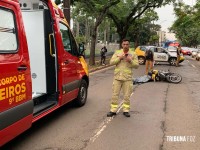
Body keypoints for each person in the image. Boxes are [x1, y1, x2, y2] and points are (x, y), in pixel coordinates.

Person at [107, 39, 139, 117]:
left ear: (129, 45)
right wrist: (119, 58)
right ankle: (113, 110)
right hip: (117, 77)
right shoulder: (117, 53)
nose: (125, 46)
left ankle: (126, 110)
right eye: (124, 44)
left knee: (127, 95)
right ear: (122, 45)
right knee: (115, 94)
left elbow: (137, 66)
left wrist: (130, 61)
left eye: (127, 44)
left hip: (127, 78)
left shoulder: (133, 54)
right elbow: (111, 62)